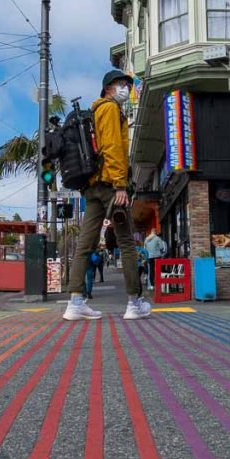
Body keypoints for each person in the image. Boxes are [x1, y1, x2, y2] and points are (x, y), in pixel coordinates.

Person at [64, 70, 151, 321]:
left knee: (84, 245)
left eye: (127, 84)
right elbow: (113, 147)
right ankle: (135, 303)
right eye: (123, 84)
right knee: (126, 244)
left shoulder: (94, 111)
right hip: (111, 187)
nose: (126, 88)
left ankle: (75, 302)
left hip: (91, 187)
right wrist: (120, 185)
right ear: (109, 87)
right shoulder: (110, 109)